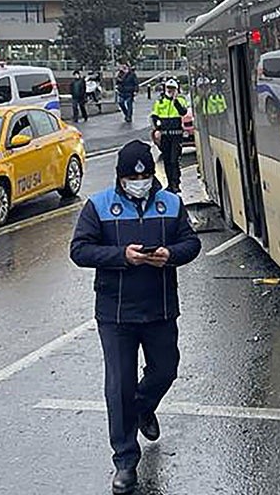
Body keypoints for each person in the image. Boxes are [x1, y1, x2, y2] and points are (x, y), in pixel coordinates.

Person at [70, 141, 201, 494]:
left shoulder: (170, 203)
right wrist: (121, 256)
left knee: (166, 369)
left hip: (159, 309)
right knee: (119, 386)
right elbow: (80, 250)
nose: (139, 181)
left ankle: (143, 407)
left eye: (145, 176)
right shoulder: (98, 206)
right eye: (132, 176)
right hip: (115, 314)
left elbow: (192, 243)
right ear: (121, 177)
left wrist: (169, 254)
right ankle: (125, 461)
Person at [150, 78, 188, 194]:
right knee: (166, 160)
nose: (170, 91)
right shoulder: (160, 101)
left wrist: (175, 100)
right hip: (165, 135)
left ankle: (176, 184)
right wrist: (156, 130)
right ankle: (170, 184)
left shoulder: (181, 99)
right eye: (168, 88)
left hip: (176, 135)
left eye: (172, 88)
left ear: (176, 89)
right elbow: (154, 116)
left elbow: (183, 112)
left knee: (174, 160)